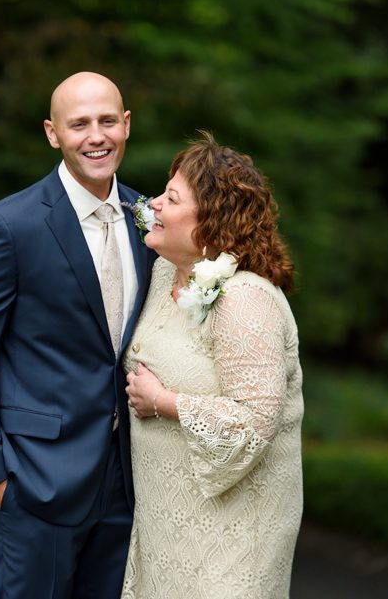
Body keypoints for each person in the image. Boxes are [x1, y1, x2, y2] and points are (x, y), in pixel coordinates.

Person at [0, 72, 155, 599]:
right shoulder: (7, 227)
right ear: (53, 134)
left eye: (107, 121)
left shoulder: (149, 220)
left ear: (126, 126)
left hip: (129, 486)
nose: (95, 136)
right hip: (35, 485)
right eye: (79, 124)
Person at [121, 131, 303, 599]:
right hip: (168, 529)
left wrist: (163, 402)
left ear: (211, 222)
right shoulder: (165, 272)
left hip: (232, 539)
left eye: (172, 198)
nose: (155, 204)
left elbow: (252, 424)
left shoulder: (245, 299)